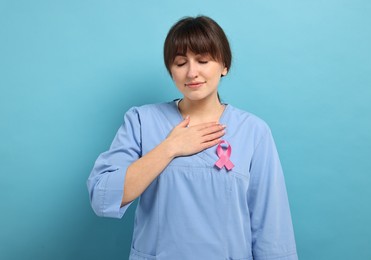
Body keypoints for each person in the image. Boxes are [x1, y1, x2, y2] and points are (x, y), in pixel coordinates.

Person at [87, 15, 298, 260]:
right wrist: (170, 148)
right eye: (180, 63)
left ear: (224, 66)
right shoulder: (141, 121)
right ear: (171, 71)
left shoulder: (253, 131)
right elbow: (103, 197)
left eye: (203, 60)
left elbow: (272, 230)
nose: (192, 72)